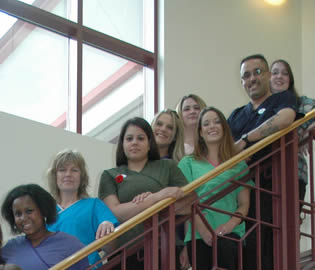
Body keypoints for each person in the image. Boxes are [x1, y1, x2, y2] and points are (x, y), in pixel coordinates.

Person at [227, 54, 298, 270]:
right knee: (246, 249)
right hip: (240, 189)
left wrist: (246, 141)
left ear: (267, 74)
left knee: (267, 247)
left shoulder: (281, 98)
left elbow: (285, 119)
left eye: (257, 72)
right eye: (246, 76)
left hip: (272, 184)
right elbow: (224, 150)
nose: (252, 79)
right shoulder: (237, 115)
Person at [98, 117, 194, 269]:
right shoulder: (109, 175)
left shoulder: (167, 166)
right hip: (124, 252)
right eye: (129, 138)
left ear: (150, 143)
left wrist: (148, 203)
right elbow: (114, 213)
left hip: (164, 248)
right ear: (122, 144)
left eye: (141, 138)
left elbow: (190, 204)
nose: (134, 142)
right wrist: (157, 197)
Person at [178, 106, 252, 270]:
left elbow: (244, 204)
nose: (212, 126)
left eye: (217, 122)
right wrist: (204, 232)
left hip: (231, 235)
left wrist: (229, 225)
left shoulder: (238, 164)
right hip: (197, 235)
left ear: (224, 129)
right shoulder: (187, 163)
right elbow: (185, 203)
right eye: (206, 124)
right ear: (200, 133)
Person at [46, 149, 119, 267]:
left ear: (82, 176)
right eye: (62, 170)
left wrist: (107, 227)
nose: (68, 174)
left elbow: (111, 248)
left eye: (74, 170)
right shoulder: (45, 212)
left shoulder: (94, 205)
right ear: (55, 176)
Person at [1, 184, 89, 270]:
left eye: (29, 211)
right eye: (18, 214)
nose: (23, 218)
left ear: (43, 210)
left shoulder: (70, 245)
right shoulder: (10, 248)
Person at [270, 59, 315, 212]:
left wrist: (309, 129)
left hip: (295, 171)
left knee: (289, 223)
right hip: (266, 172)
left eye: (285, 73)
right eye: (275, 72)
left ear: (290, 79)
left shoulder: (302, 103)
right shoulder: (262, 108)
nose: (279, 77)